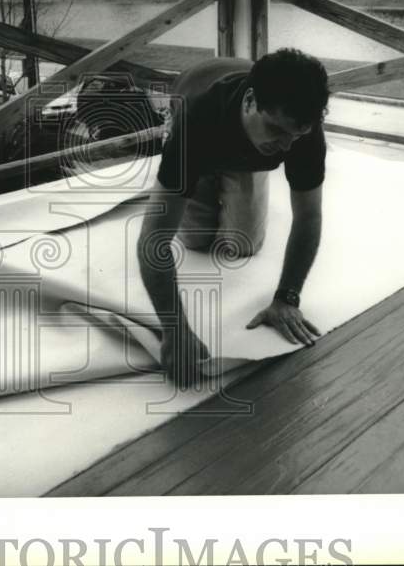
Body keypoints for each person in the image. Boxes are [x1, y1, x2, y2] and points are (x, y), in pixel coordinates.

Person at [137, 49, 330, 386]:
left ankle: (230, 170)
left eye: (294, 137)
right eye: (276, 130)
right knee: (195, 239)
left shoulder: (303, 133)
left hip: (242, 145)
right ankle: (191, 178)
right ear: (251, 101)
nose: (286, 147)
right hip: (196, 109)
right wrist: (174, 329)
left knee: (242, 244)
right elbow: (153, 240)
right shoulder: (195, 123)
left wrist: (287, 297)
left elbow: (309, 217)